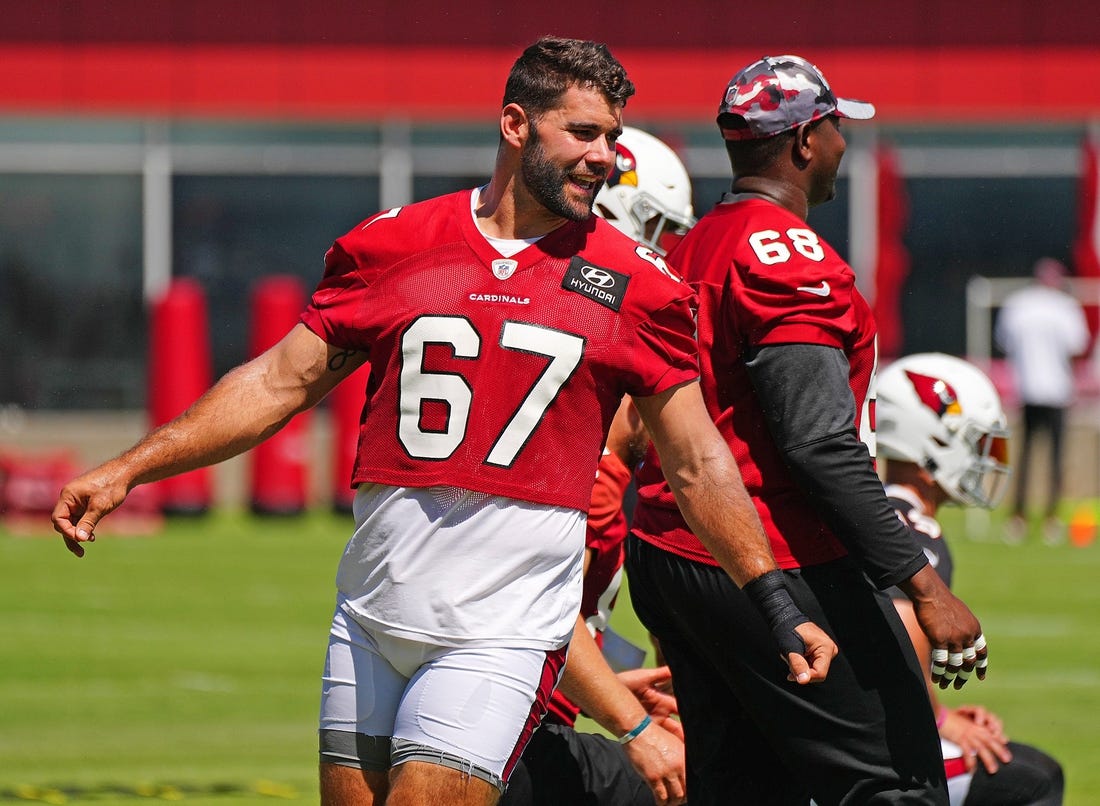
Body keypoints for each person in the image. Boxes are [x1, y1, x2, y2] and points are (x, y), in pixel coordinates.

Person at [51, 38, 837, 806]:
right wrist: (130, 467)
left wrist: (771, 597)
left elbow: (699, 463)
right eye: (585, 132)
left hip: (502, 631)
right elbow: (276, 383)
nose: (604, 157)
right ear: (516, 124)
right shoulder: (394, 243)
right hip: (371, 614)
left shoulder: (640, 286)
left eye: (613, 137)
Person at [625, 54, 990, 805]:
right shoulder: (786, 255)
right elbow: (818, 440)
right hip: (770, 554)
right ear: (801, 142)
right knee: (902, 784)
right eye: (832, 130)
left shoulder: (692, 249)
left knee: (749, 790)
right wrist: (922, 586)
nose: (840, 148)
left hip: (671, 546)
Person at [503, 126, 695, 806]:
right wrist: (633, 723)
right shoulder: (590, 463)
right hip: (502, 733)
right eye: (665, 234)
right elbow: (539, 614)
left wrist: (614, 686)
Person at [876, 351, 1065, 805]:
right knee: (1034, 777)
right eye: (976, 442)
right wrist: (939, 721)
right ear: (935, 440)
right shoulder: (913, 528)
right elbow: (900, 633)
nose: (985, 458)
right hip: (866, 744)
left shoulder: (873, 511)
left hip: (836, 722)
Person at [994, 257, 1089, 544]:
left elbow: (1004, 342)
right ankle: (1051, 518)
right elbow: (1078, 347)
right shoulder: (1065, 307)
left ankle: (1018, 517)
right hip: (1057, 391)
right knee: (1055, 458)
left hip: (1028, 389)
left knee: (1024, 456)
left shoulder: (1018, 304)